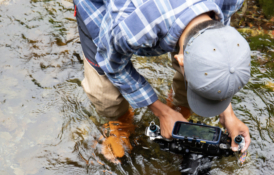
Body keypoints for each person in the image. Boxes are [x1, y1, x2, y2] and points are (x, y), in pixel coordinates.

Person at [73, 0, 251, 162]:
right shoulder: (130, 27)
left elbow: (218, 45)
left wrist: (228, 113)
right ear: (179, 59)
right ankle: (120, 122)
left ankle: (180, 109)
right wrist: (161, 112)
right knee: (106, 94)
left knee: (198, 70)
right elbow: (111, 63)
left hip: (170, 15)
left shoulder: (230, 1)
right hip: (102, 16)